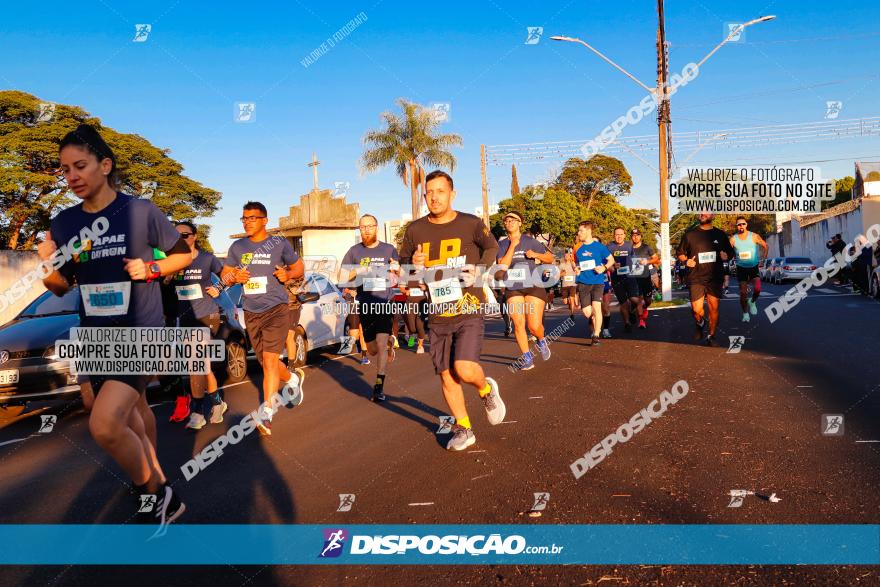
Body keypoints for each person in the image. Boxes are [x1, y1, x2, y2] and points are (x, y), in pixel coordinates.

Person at [40, 124, 189, 527]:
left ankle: (159, 495)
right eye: (65, 169)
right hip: (94, 334)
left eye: (80, 166)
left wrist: (152, 267)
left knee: (105, 424)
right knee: (127, 410)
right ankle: (154, 474)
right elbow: (58, 288)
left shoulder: (140, 212)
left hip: (140, 330)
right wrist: (47, 264)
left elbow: (184, 255)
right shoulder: (65, 224)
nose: (72, 176)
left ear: (105, 165)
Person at [399, 170, 505, 451]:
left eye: (440, 191)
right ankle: (464, 428)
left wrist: (480, 271)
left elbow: (492, 246)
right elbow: (403, 269)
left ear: (452, 194)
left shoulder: (471, 223)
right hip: (437, 312)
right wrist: (414, 263)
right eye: (429, 192)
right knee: (446, 374)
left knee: (464, 368)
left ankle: (485, 389)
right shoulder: (414, 230)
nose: (434, 197)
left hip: (468, 306)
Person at [221, 201, 305, 436]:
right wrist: (234, 276)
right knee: (265, 362)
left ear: (265, 220)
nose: (247, 222)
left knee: (269, 361)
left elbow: (299, 268)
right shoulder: (237, 247)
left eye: (252, 218)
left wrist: (287, 273)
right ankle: (292, 380)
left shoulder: (278, 243)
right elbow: (225, 274)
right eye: (244, 218)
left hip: (277, 309)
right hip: (251, 311)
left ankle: (266, 412)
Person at [168, 221, 228, 430]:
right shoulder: (173, 261)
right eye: (176, 236)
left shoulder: (207, 258)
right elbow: (165, 284)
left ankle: (197, 411)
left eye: (184, 235)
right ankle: (218, 402)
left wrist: (219, 287)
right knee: (202, 365)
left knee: (196, 363)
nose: (180, 240)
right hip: (184, 318)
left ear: (194, 236)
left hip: (206, 315)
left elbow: (228, 275)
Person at [340, 214, 400, 402]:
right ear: (359, 230)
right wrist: (357, 272)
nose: (366, 230)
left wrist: (395, 271)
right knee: (372, 349)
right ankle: (389, 343)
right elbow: (342, 276)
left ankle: (378, 387)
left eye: (370, 226)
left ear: (377, 227)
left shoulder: (389, 249)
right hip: (365, 305)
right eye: (362, 227)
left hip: (384, 303)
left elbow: (399, 273)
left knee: (380, 345)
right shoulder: (353, 252)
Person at [496, 211, 555, 370]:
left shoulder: (531, 241)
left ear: (520, 223)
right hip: (513, 287)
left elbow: (550, 258)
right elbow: (502, 266)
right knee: (518, 323)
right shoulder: (501, 245)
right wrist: (512, 246)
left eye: (513, 220)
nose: (509, 222)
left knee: (534, 326)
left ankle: (541, 340)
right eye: (507, 220)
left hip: (533, 286)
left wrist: (535, 254)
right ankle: (527, 358)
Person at [676, 213, 736, 346]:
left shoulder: (720, 234)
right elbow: (680, 252)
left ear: (713, 215)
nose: (702, 213)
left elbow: (730, 253)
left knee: (713, 308)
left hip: (714, 277)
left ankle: (712, 336)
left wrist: (727, 255)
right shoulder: (690, 235)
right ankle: (700, 323)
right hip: (696, 276)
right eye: (700, 211)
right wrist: (686, 261)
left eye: (706, 211)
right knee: (696, 310)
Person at [573, 221, 615, 346]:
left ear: (588, 231)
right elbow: (577, 264)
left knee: (597, 307)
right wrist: (577, 269)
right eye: (579, 231)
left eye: (581, 230)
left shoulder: (600, 247)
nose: (579, 233)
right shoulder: (577, 248)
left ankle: (596, 335)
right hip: (583, 282)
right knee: (587, 313)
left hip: (597, 282)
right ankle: (596, 319)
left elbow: (611, 260)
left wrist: (604, 268)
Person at [729, 216, 768, 322]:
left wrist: (763, 259)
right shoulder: (733, 239)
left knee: (758, 289)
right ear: (737, 226)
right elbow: (727, 251)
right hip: (741, 268)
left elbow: (765, 245)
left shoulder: (754, 236)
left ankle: (753, 301)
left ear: (746, 225)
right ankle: (745, 313)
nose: (741, 226)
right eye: (739, 224)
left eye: (743, 224)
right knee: (743, 293)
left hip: (754, 267)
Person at [627, 228, 659, 330]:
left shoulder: (646, 247)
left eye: (637, 235)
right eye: (633, 235)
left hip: (645, 277)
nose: (635, 237)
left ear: (640, 236)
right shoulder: (629, 248)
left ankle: (644, 308)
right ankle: (641, 321)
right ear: (631, 237)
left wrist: (647, 262)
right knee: (639, 299)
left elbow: (656, 258)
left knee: (648, 300)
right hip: (634, 278)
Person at [606, 227, 635, 333]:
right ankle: (627, 323)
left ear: (624, 235)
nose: (618, 236)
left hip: (630, 277)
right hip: (616, 278)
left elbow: (635, 259)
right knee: (623, 302)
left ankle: (631, 311)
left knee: (633, 299)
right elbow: (605, 262)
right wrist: (613, 264)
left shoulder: (629, 245)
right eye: (616, 234)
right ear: (614, 236)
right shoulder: (609, 247)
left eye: (621, 234)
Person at [559, 250, 579, 319]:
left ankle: (572, 314)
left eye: (568, 256)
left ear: (570, 257)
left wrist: (576, 271)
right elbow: (558, 274)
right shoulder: (562, 265)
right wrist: (562, 274)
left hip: (572, 285)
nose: (566, 257)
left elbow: (576, 270)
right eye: (565, 256)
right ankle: (569, 303)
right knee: (565, 302)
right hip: (565, 285)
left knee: (571, 299)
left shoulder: (573, 264)